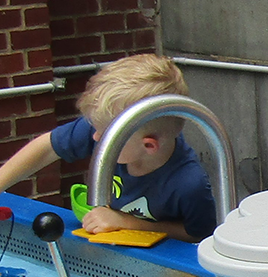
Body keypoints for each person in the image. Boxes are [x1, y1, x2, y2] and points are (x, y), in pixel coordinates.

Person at [0, 54, 216, 243]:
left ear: (148, 145)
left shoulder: (188, 183)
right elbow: (47, 147)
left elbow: (197, 234)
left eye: (104, 134)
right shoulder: (111, 130)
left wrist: (128, 222)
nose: (94, 137)